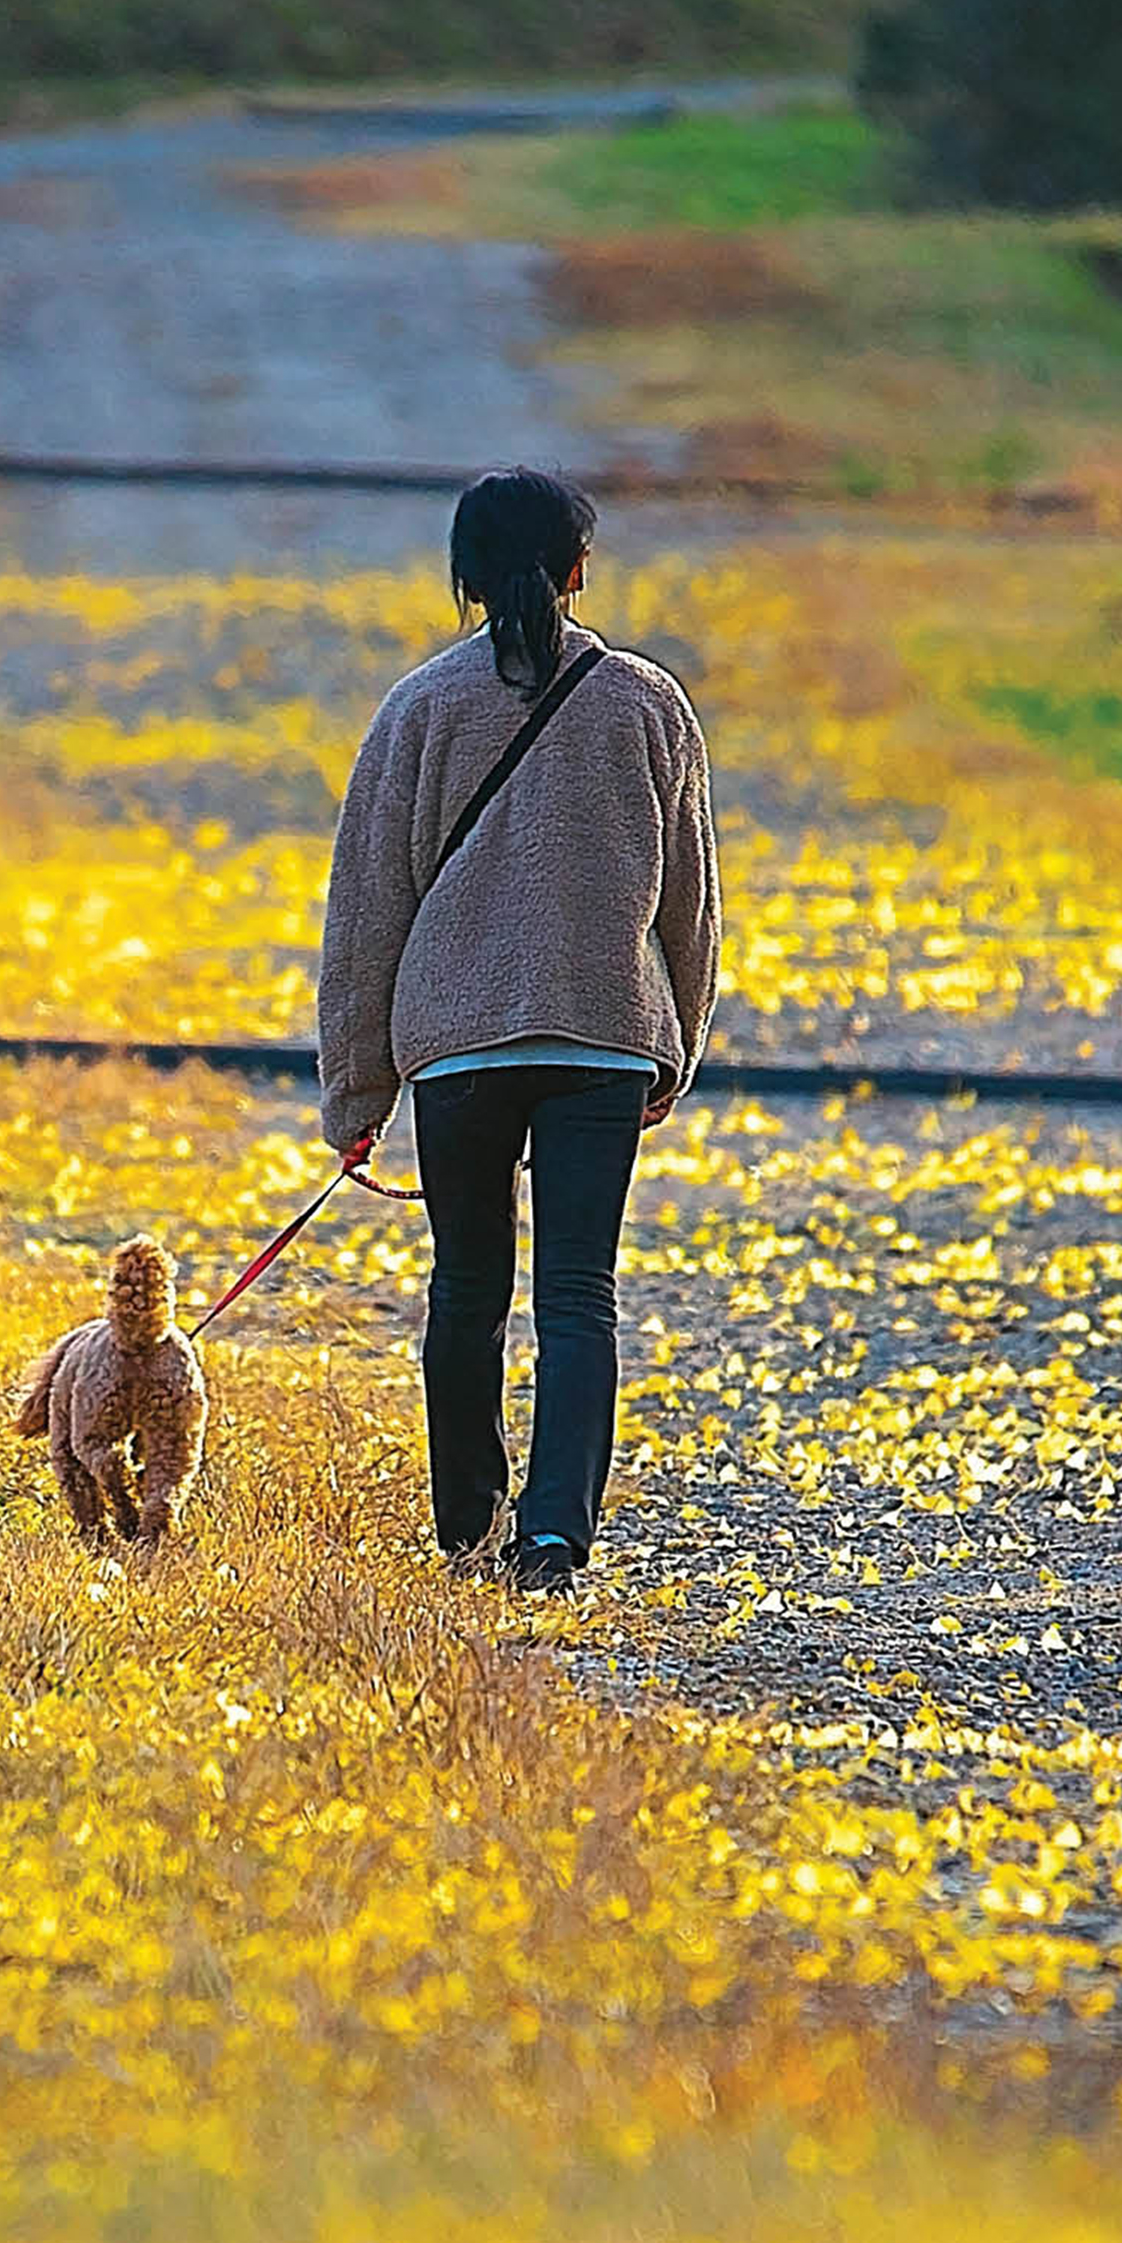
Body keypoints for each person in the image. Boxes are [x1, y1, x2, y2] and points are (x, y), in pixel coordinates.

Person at [317, 468, 719, 1597]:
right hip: (601, 1033)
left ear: (463, 578)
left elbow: (364, 914)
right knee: (579, 1293)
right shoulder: (647, 702)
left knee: (465, 1285)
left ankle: (464, 1527)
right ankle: (553, 1539)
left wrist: (355, 1095)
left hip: (456, 1043)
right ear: (579, 567)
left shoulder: (417, 708)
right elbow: (687, 898)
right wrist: (672, 1036)